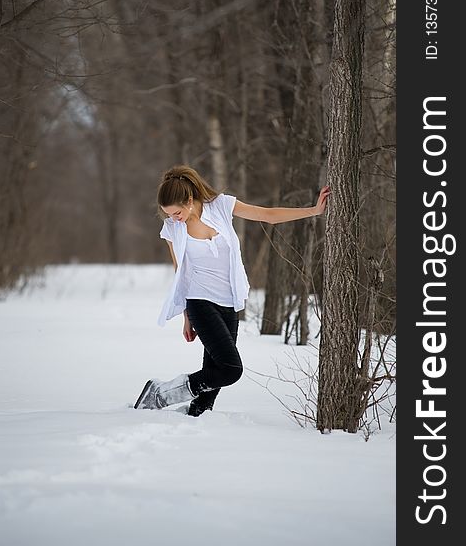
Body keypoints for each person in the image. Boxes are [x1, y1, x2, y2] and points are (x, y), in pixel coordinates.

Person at [134, 165, 330, 416]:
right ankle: (161, 394)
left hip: (227, 300)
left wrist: (313, 211)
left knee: (213, 376)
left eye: (177, 212)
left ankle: (196, 414)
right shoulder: (173, 229)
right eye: (168, 214)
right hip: (199, 300)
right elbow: (180, 273)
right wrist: (186, 315)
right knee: (230, 370)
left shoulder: (221, 206)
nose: (174, 218)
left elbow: (267, 215)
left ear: (190, 200)